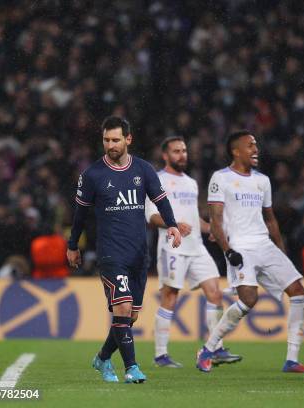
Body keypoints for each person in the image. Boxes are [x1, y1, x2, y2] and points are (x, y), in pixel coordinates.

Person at [67, 116, 182, 383]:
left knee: (130, 316)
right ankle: (132, 368)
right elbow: (80, 215)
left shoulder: (143, 169)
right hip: (111, 254)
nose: (110, 145)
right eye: (106, 140)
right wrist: (72, 245)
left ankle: (103, 358)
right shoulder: (92, 175)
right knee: (122, 308)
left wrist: (173, 225)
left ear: (128, 139)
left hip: (139, 255)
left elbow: (160, 200)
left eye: (116, 140)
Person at [195, 130, 304, 374]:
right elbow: (216, 220)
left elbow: (270, 220)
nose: (255, 150)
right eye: (250, 145)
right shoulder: (221, 178)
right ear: (235, 150)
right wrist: (227, 250)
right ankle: (207, 350)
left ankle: (291, 360)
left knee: (299, 292)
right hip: (240, 245)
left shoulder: (262, 180)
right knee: (249, 300)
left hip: (264, 244)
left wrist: (281, 251)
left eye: (256, 145)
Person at [146, 136, 241, 368]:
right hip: (172, 247)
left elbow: (194, 218)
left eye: (184, 150)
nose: (182, 155)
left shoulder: (191, 182)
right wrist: (174, 224)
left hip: (196, 247)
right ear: (165, 156)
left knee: (215, 293)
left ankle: (215, 349)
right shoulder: (157, 180)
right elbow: (151, 216)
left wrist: (213, 230)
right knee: (170, 296)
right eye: (176, 151)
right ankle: (160, 355)